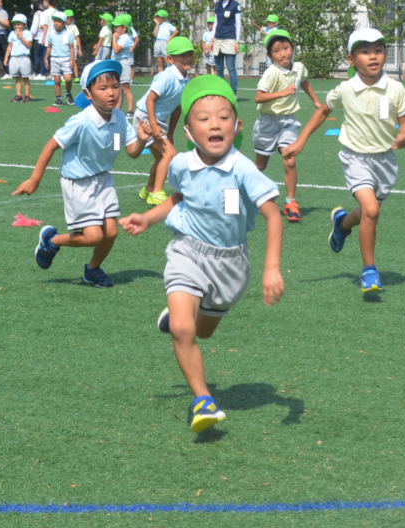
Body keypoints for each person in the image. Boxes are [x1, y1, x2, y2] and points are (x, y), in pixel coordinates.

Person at [118, 75, 284, 433]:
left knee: (202, 333)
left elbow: (273, 215)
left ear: (237, 125)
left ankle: (185, 318)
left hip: (231, 266)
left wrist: (272, 269)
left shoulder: (244, 169)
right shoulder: (180, 164)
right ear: (190, 131)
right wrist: (148, 217)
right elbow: (180, 197)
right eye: (204, 118)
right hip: (187, 252)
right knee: (182, 330)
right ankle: (202, 399)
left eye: (224, 117)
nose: (215, 124)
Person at [283, 28, 405, 292]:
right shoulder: (345, 89)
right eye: (364, 52)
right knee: (372, 210)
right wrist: (300, 141)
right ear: (351, 60)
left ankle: (341, 224)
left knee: (366, 212)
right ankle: (369, 271)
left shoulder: (396, 89)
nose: (373, 56)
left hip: (385, 162)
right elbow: (322, 111)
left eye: (377, 50)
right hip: (355, 158)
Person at [12, 60, 150, 287]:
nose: (111, 93)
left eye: (115, 86)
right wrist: (35, 178)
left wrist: (142, 140)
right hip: (78, 182)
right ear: (88, 92)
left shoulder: (120, 121)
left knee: (111, 232)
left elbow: (130, 152)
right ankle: (51, 241)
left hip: (103, 179)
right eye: (103, 88)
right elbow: (51, 145)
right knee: (94, 236)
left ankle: (92, 270)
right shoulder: (81, 121)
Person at [251, 29, 321, 223]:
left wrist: (316, 101)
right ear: (269, 55)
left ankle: (291, 202)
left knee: (289, 157)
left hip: (288, 121)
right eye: (276, 51)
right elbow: (259, 97)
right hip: (267, 123)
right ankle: (239, 187)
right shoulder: (271, 73)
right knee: (260, 165)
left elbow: (304, 82)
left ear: (293, 48)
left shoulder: (299, 67)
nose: (283, 54)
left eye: (286, 48)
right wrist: (282, 93)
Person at [132, 36, 196, 207]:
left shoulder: (186, 82)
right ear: (170, 59)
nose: (188, 58)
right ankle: (156, 193)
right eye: (182, 54)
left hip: (158, 121)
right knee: (170, 154)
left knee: (162, 158)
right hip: (145, 118)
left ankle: (148, 189)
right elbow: (150, 100)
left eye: (190, 53)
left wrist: (170, 133)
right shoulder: (166, 77)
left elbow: (177, 109)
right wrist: (152, 125)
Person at [212, 0, 242, 93]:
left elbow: (238, 24)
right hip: (217, 39)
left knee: (231, 69)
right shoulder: (217, 4)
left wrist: (237, 41)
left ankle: (233, 93)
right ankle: (220, 92)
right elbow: (215, 23)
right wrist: (212, 39)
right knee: (219, 69)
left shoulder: (236, 5)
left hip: (230, 39)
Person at [45, 11, 76, 107]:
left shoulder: (68, 34)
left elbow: (71, 48)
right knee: (57, 81)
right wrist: (46, 58)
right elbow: (49, 47)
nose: (56, 23)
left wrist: (72, 60)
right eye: (54, 21)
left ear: (64, 23)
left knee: (68, 79)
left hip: (66, 59)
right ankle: (58, 98)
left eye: (58, 21)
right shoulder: (51, 34)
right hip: (54, 59)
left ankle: (68, 93)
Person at [4, 13, 33, 102]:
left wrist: (20, 36)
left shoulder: (28, 33)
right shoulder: (12, 33)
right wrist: (6, 57)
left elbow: (28, 45)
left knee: (25, 77)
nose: (17, 26)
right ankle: (19, 95)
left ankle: (27, 95)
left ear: (25, 25)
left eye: (19, 24)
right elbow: (9, 46)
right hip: (14, 58)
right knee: (17, 77)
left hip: (24, 57)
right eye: (15, 24)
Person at [111, 14, 135, 113]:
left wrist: (114, 38)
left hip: (123, 64)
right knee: (118, 90)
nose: (114, 29)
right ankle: (117, 110)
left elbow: (116, 50)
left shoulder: (125, 38)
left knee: (125, 89)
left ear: (124, 28)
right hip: (117, 63)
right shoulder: (121, 37)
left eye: (117, 27)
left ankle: (130, 110)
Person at [152, 10, 178, 75]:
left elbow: (176, 31)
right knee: (160, 63)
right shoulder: (157, 25)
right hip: (158, 42)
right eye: (157, 17)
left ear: (164, 18)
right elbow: (155, 35)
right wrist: (157, 25)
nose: (157, 18)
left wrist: (169, 39)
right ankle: (161, 76)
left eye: (159, 17)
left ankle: (170, 75)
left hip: (164, 43)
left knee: (167, 61)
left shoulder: (168, 25)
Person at [31, 0, 47, 79]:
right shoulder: (45, 13)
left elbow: (34, 27)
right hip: (45, 38)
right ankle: (43, 73)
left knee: (37, 56)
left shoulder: (37, 14)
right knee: (44, 56)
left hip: (38, 38)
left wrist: (31, 37)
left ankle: (37, 72)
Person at [64, 10, 82, 82]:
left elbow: (77, 38)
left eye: (71, 18)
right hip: (65, 46)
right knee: (65, 61)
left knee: (74, 61)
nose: (70, 19)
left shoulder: (74, 27)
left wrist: (80, 49)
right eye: (68, 18)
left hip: (73, 46)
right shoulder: (62, 27)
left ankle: (77, 76)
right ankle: (65, 77)